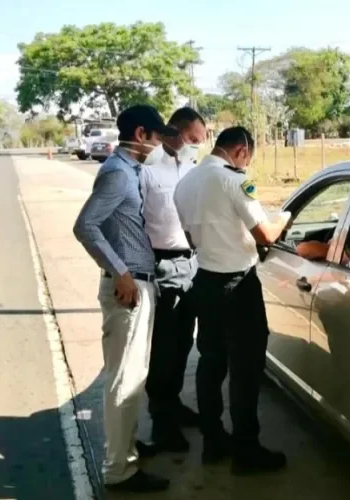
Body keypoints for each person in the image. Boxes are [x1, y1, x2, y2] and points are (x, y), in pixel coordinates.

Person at [173, 126, 291, 475]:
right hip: (238, 287)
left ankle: (213, 441)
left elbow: (191, 237)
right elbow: (266, 234)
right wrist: (283, 218)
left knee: (211, 363)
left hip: (205, 282)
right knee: (245, 368)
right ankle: (247, 449)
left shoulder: (186, 183)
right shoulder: (236, 181)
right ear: (241, 152)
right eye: (248, 158)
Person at [72, 104, 178, 493]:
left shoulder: (130, 172)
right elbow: (85, 226)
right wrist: (121, 272)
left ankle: (126, 451)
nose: (158, 143)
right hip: (126, 291)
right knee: (124, 381)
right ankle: (120, 469)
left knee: (133, 378)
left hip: (136, 285)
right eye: (155, 136)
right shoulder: (118, 173)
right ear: (140, 133)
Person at [136, 107, 207, 455]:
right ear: (174, 132)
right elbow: (132, 224)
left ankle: (174, 404)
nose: (195, 146)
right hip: (162, 265)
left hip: (192, 263)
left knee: (183, 344)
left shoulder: (192, 169)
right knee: (163, 349)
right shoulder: (147, 171)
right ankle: (161, 422)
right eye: (192, 140)